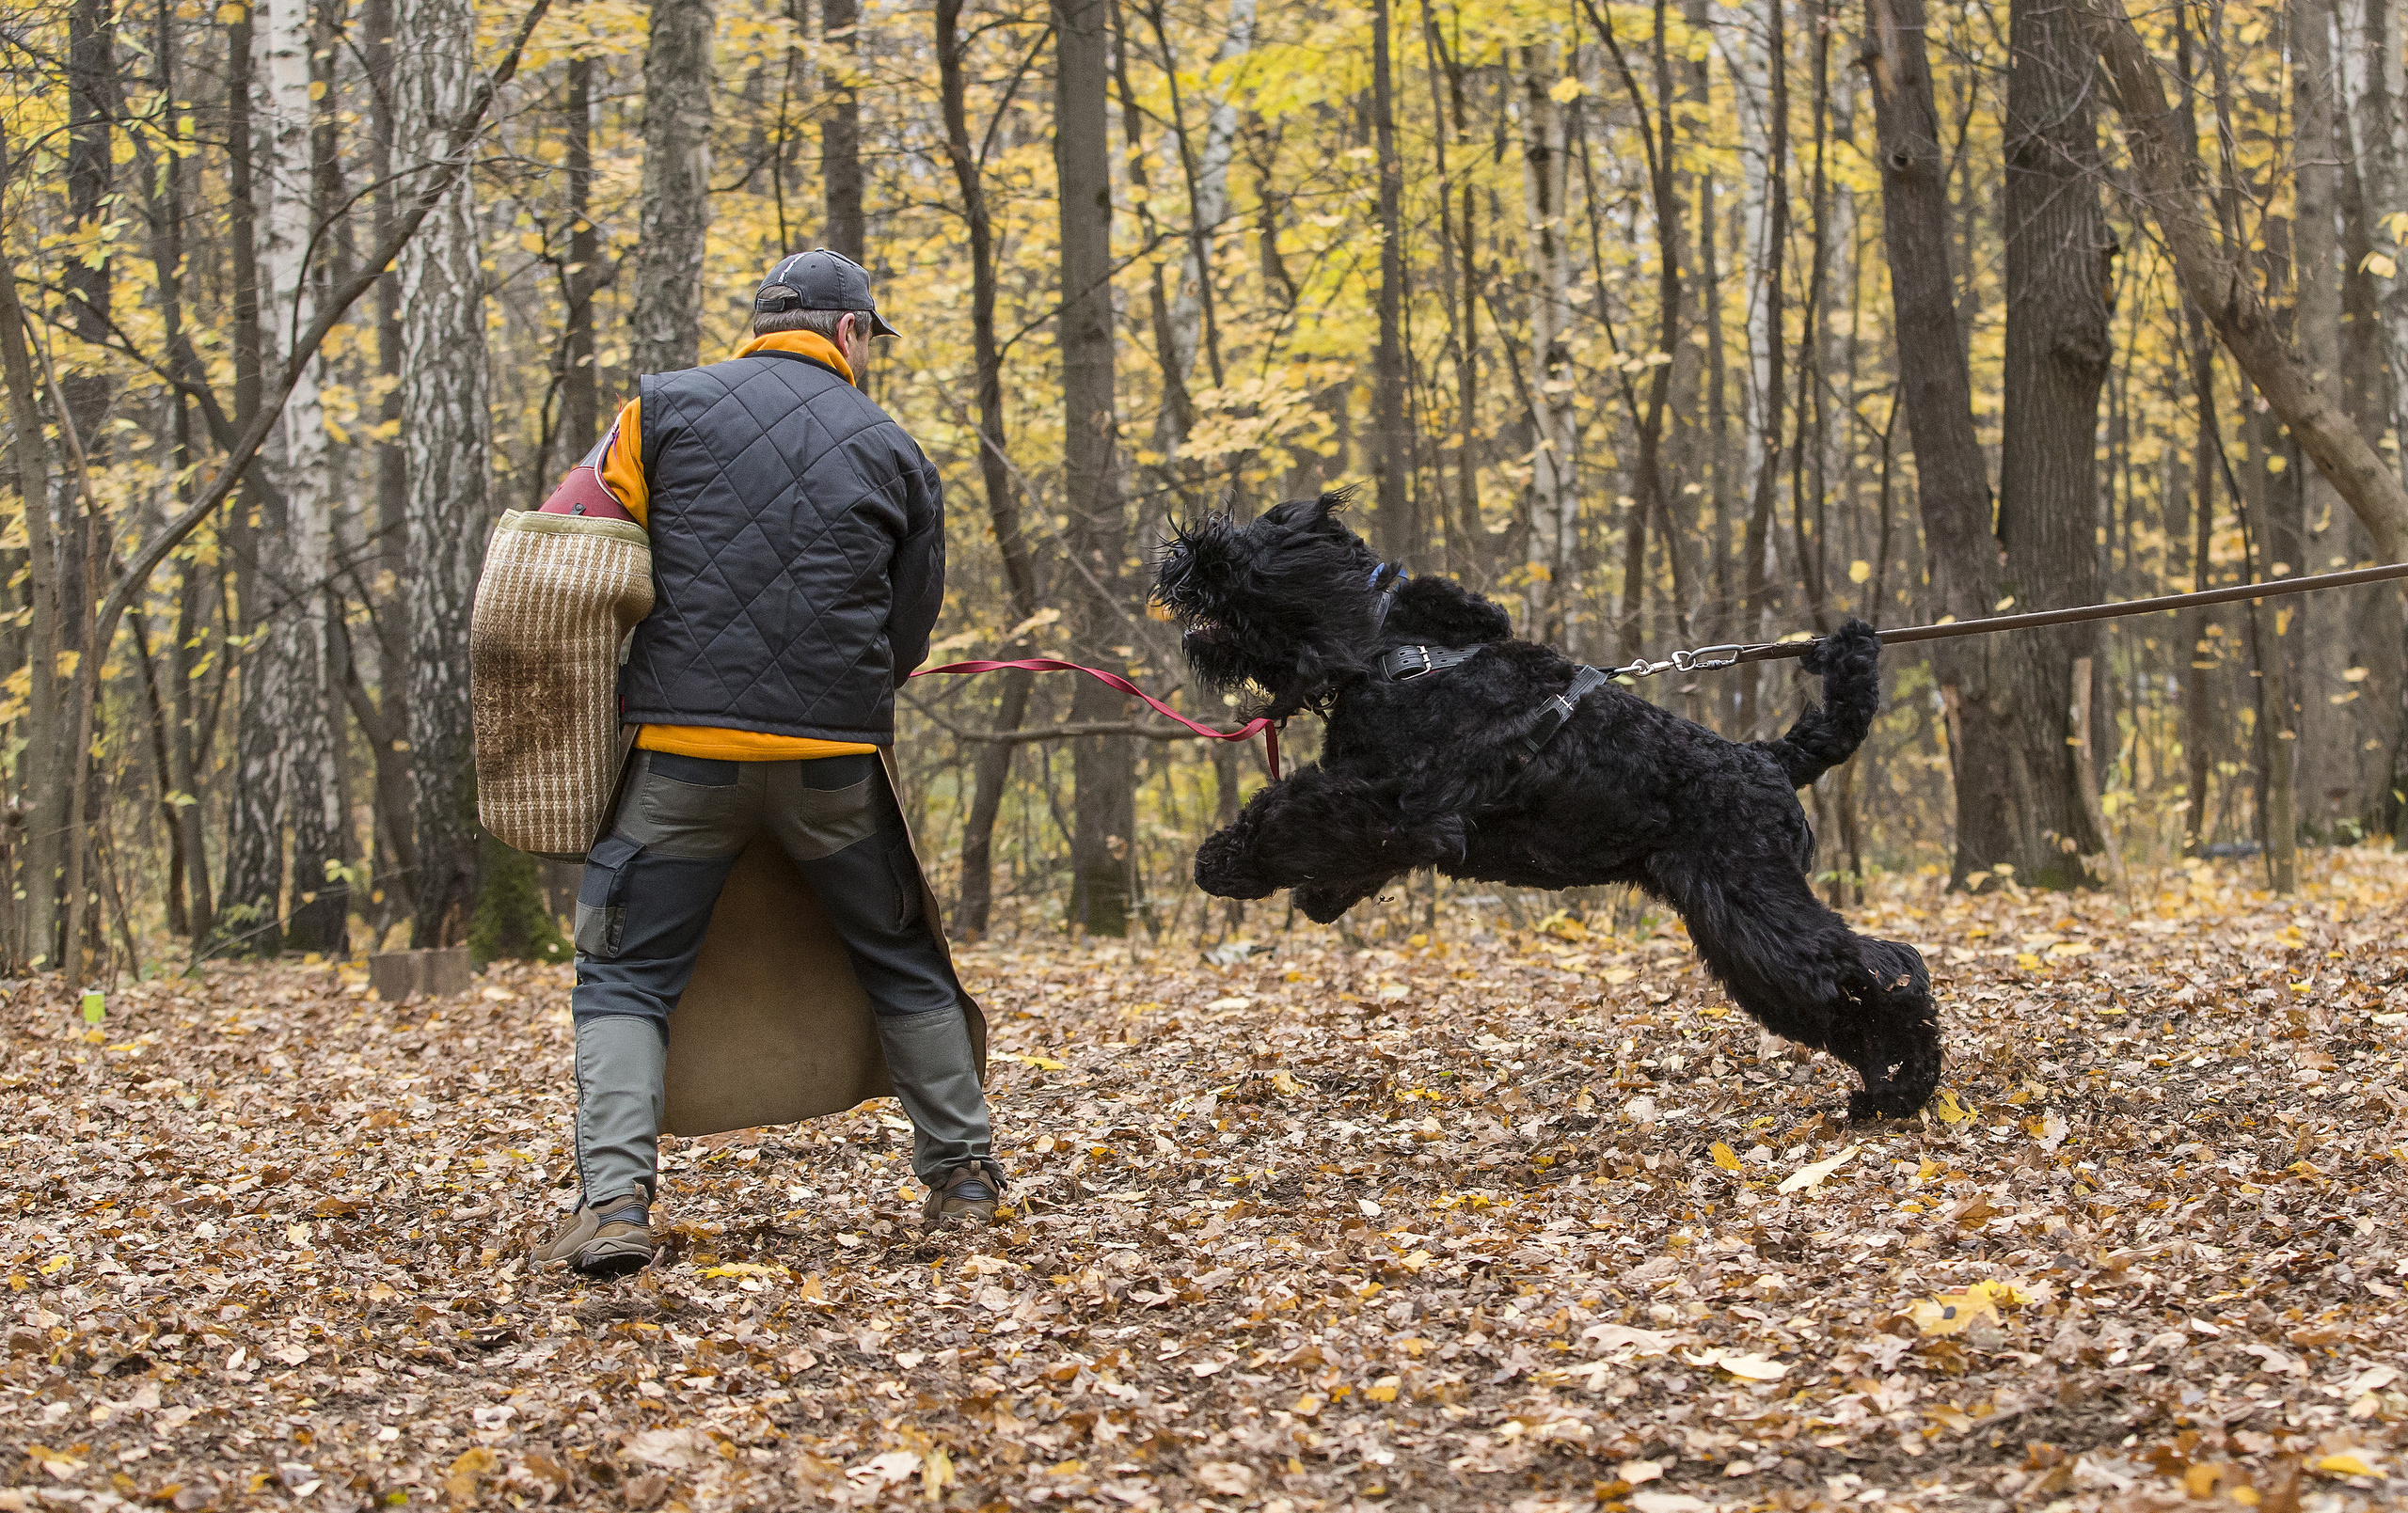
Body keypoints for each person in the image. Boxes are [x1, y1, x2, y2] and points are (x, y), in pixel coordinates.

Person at [531, 249, 1002, 1277]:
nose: (868, 357)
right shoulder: (894, 448)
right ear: (846, 333)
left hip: (680, 756)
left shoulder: (654, 412)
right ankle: (961, 1178)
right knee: (901, 955)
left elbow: (564, 546)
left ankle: (613, 1205)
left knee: (624, 975)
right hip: (832, 761)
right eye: (870, 339)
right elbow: (908, 633)